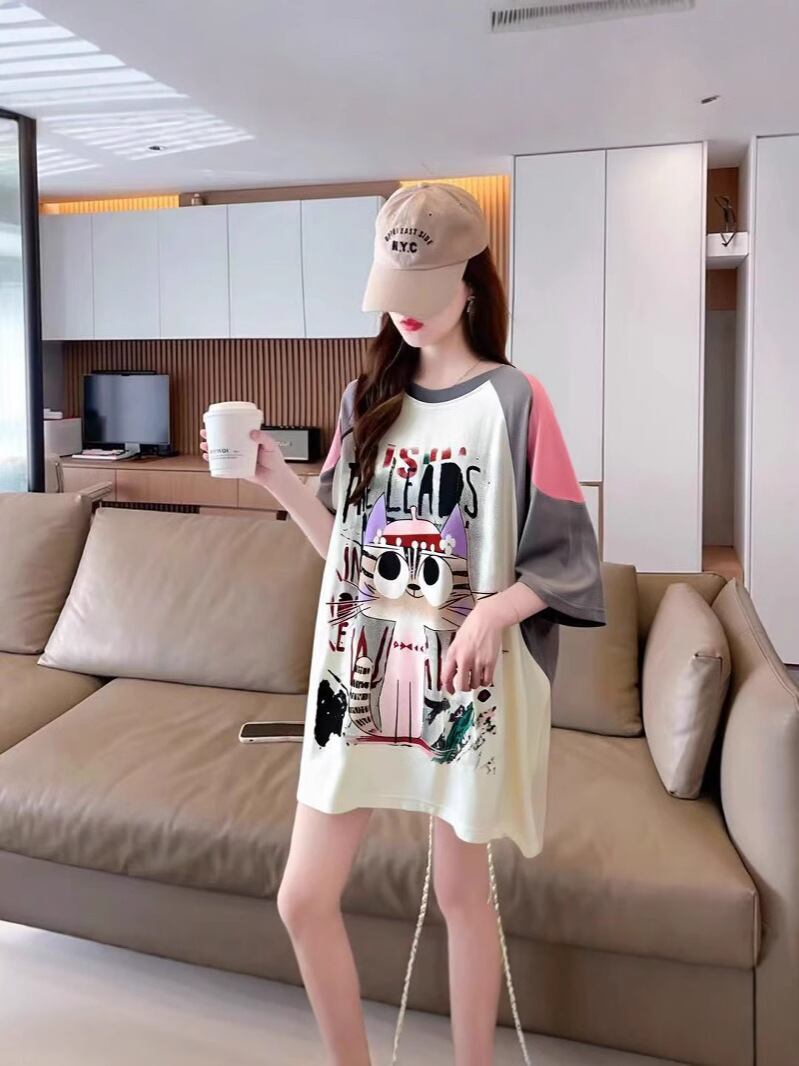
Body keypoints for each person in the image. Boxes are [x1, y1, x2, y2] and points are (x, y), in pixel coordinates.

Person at [201, 181, 607, 1066]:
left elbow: (569, 558)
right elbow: (345, 556)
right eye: (393, 295)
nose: (406, 314)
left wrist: (493, 611)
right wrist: (274, 480)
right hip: (355, 679)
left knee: (463, 897)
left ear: (470, 282)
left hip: (461, 689)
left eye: (423, 292)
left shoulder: (514, 400)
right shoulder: (365, 399)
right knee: (302, 898)